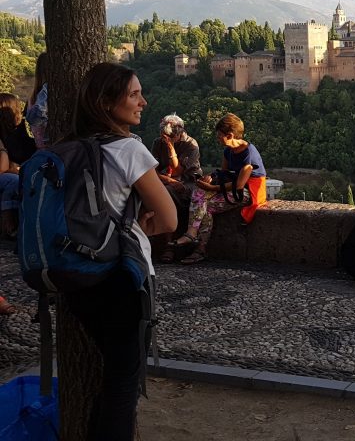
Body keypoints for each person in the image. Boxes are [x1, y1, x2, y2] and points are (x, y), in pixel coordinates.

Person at [66, 62, 177, 439]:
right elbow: (170, 219)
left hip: (76, 276)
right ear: (106, 102)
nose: (143, 102)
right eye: (133, 94)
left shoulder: (68, 147)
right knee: (121, 388)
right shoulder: (129, 149)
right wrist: (142, 225)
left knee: (113, 379)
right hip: (120, 278)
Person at [171, 113, 267, 265]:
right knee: (203, 203)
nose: (217, 138)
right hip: (233, 187)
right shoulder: (228, 151)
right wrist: (211, 177)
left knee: (202, 199)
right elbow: (225, 174)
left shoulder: (249, 154)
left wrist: (213, 187)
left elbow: (240, 185)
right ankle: (199, 248)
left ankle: (192, 235)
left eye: (219, 136)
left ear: (230, 135)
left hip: (249, 191)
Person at [151, 114, 203, 262]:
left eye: (170, 136)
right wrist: (166, 179)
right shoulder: (157, 142)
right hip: (166, 181)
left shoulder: (190, 144)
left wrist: (170, 147)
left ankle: (169, 247)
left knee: (166, 194)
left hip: (187, 182)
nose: (166, 138)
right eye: (164, 136)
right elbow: (152, 168)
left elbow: (178, 171)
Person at [0, 93, 36, 237]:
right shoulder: (4, 138)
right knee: (14, 182)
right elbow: (2, 168)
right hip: (9, 175)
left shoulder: (18, 132)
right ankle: (9, 226)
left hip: (17, 170)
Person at [25, 51, 49, 149]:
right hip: (51, 148)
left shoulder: (32, 97)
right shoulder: (46, 91)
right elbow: (35, 120)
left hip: (40, 148)